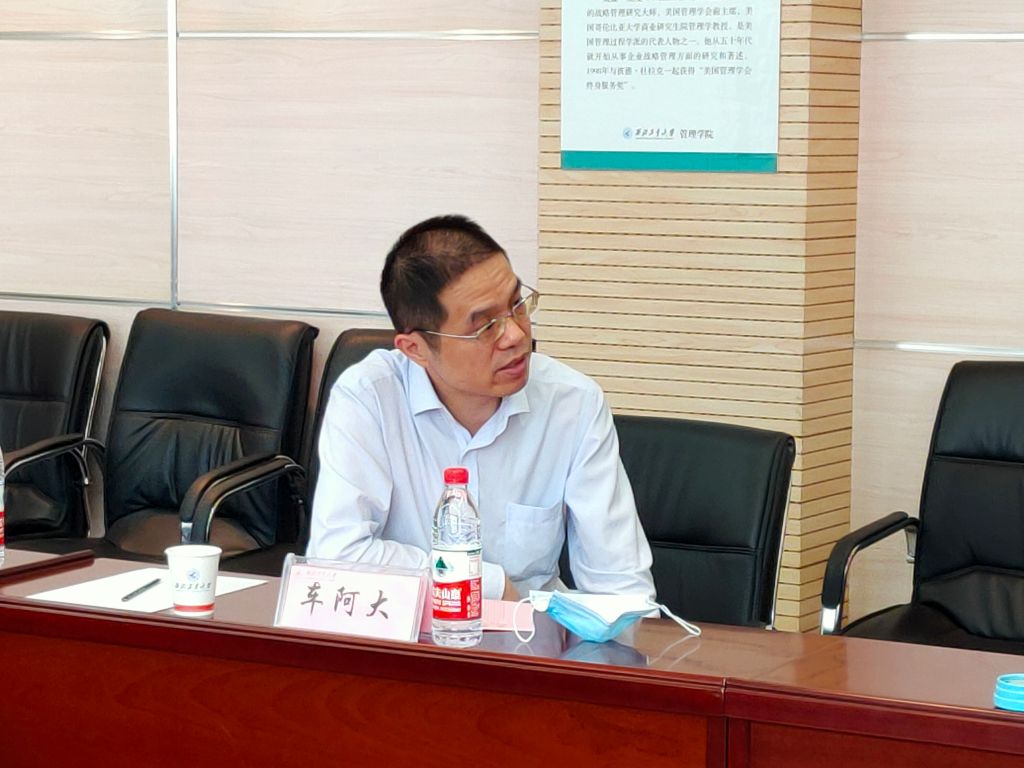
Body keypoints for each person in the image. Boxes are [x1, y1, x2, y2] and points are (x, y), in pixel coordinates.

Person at [307, 215, 654, 601]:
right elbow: (336, 557)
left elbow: (621, 586)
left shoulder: (572, 403)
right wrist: (489, 585)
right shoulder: (369, 398)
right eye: (485, 327)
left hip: (530, 631)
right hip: (405, 632)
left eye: (517, 305)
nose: (516, 335)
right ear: (416, 349)